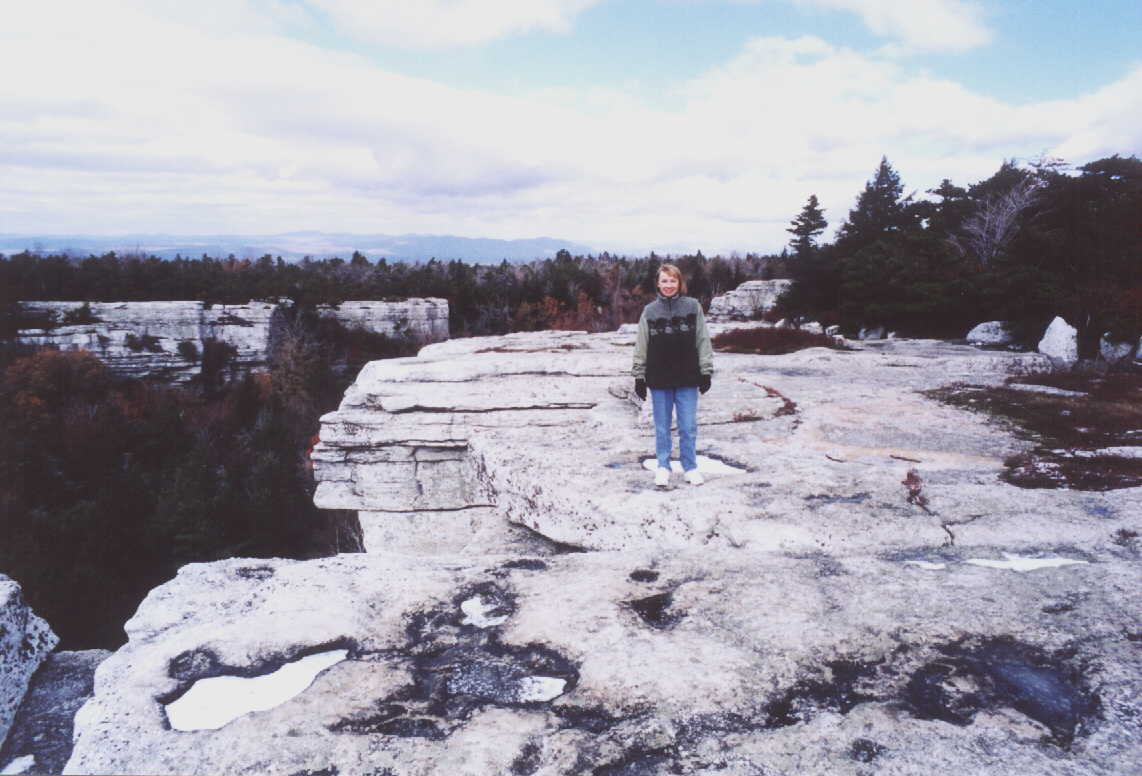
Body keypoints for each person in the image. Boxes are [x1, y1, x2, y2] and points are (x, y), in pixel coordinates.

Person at [631, 263, 713, 488]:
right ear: (658, 283)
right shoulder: (650, 311)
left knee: (687, 426)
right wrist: (639, 376)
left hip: (687, 375)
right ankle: (663, 467)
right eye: (664, 281)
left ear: (680, 283)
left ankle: (690, 467)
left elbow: (703, 340)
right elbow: (641, 345)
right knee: (662, 426)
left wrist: (705, 371)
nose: (668, 285)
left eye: (673, 281)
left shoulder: (693, 307)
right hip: (659, 377)